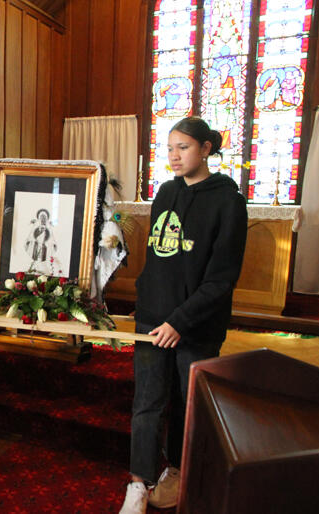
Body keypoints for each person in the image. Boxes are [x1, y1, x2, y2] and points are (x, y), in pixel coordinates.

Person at [118, 117, 247, 514]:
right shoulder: (165, 193)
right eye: (169, 148)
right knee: (147, 403)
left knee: (188, 405)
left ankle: (178, 471)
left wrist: (181, 322)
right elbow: (159, 259)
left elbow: (222, 278)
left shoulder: (228, 201)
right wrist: (148, 306)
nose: (174, 156)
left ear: (206, 149)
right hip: (154, 319)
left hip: (197, 326)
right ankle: (138, 483)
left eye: (184, 148)